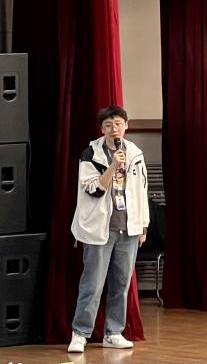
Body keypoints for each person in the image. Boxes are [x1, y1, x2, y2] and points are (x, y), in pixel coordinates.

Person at [67, 105, 150, 354]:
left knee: (121, 284)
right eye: (108, 125)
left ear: (126, 126)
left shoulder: (135, 153)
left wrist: (143, 225)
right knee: (92, 285)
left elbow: (141, 191)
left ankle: (113, 332)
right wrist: (113, 166)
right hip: (99, 229)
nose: (114, 129)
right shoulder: (90, 154)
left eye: (118, 124)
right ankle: (80, 333)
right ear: (102, 129)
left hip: (129, 228)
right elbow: (93, 189)